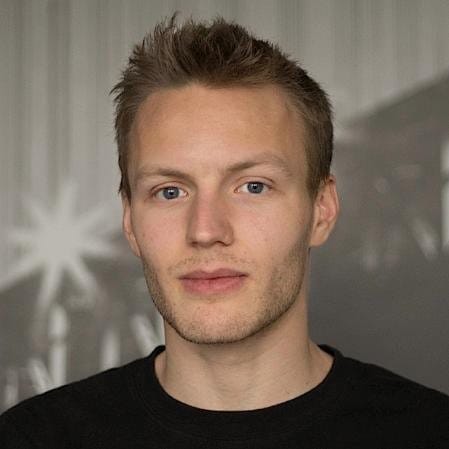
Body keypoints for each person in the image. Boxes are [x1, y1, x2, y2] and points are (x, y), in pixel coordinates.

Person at [1, 13, 448, 448]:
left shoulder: (430, 433)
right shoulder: (32, 438)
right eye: (170, 191)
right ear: (130, 222)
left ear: (322, 210)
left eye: (253, 186)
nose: (205, 230)